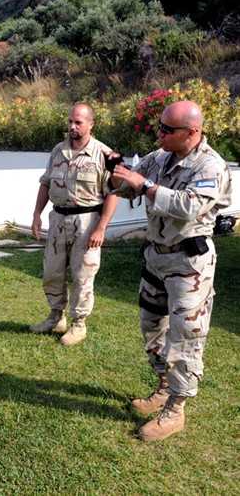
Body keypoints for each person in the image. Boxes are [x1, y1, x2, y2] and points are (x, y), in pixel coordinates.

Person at [108, 100, 232, 442]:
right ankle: (164, 388)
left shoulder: (211, 166)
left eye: (167, 130)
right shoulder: (160, 156)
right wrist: (116, 173)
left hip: (188, 264)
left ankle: (175, 411)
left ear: (191, 132)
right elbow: (129, 185)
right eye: (159, 127)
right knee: (152, 328)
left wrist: (144, 185)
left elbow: (189, 206)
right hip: (156, 258)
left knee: (185, 338)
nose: (159, 134)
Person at [30, 103, 119, 345]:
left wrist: (101, 227)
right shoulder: (58, 150)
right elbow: (46, 182)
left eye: (78, 122)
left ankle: (78, 325)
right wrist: (37, 214)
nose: (72, 126)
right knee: (52, 272)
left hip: (87, 222)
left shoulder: (104, 154)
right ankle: (55, 317)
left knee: (82, 276)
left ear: (91, 124)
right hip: (58, 219)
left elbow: (114, 192)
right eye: (70, 121)